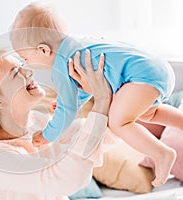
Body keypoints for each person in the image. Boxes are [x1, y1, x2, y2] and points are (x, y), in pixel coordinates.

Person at [10, 2, 182, 187]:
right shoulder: (79, 46)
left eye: (26, 58)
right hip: (156, 69)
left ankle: (162, 154)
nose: (27, 64)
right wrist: (66, 103)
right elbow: (84, 88)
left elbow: (67, 111)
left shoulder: (61, 65)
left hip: (142, 77)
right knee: (149, 113)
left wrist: (47, 136)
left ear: (43, 50)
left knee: (118, 122)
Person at [0, 49, 115, 199]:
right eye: (15, 72)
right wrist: (101, 103)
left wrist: (127, 108)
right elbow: (65, 178)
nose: (29, 71)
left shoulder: (37, 121)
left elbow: (92, 133)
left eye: (22, 65)